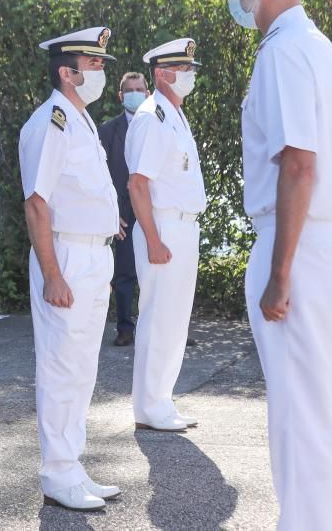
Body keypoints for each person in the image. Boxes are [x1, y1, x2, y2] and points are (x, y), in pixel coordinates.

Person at [206, 0, 332, 530]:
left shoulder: (282, 50)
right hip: (329, 237)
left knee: (299, 415)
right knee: (314, 409)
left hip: (299, 244)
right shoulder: (319, 46)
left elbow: (299, 163)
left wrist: (278, 273)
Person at [18, 26, 122, 512]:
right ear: (67, 72)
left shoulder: (82, 121)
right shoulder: (52, 121)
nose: (102, 70)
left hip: (93, 253)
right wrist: (53, 274)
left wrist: (109, 219)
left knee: (83, 368)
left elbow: (80, 189)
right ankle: (56, 473)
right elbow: (37, 203)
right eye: (94, 64)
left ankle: (73, 465)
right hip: (67, 258)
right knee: (62, 368)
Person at [125, 38, 206, 432]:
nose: (190, 75)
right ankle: (149, 407)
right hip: (164, 227)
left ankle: (162, 399)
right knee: (158, 318)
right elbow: (138, 184)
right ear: (162, 73)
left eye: (191, 68)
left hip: (182, 225)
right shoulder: (151, 116)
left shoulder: (173, 114)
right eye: (183, 68)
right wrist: (154, 239)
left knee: (175, 320)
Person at [98, 72, 149, 346]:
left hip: (155, 210)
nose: (134, 93)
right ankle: (125, 328)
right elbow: (100, 175)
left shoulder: (159, 125)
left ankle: (166, 328)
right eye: (129, 89)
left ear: (148, 92)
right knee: (125, 272)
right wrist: (111, 213)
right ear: (120, 96)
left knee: (160, 273)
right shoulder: (106, 131)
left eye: (139, 89)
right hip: (124, 214)